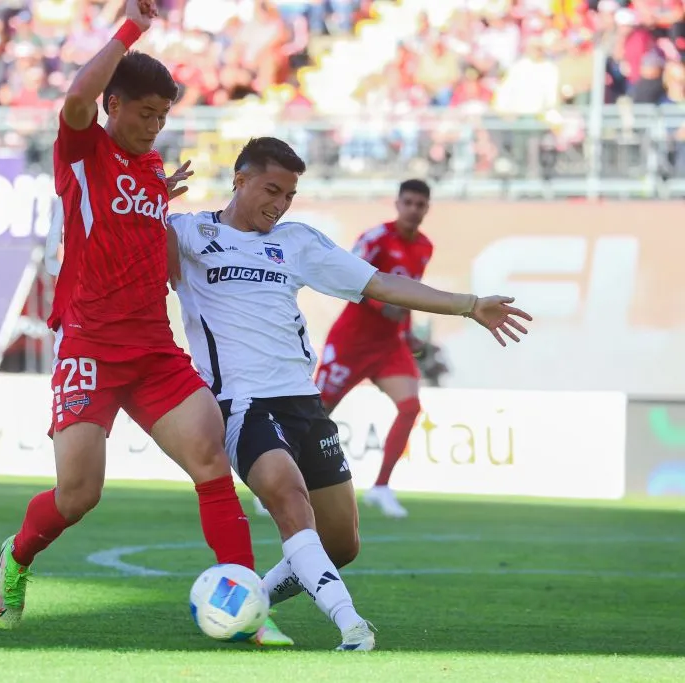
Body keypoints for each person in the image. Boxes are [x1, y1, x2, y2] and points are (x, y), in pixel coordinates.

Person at [0, 1, 290, 647]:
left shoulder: (152, 169)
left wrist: (160, 203)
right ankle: (16, 557)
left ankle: (250, 610)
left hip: (153, 348)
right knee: (78, 494)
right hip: (91, 346)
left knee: (211, 460)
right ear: (114, 105)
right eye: (145, 113)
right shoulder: (81, 149)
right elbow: (74, 96)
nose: (154, 127)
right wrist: (130, 26)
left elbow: (143, 232)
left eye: (163, 115)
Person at [166, 137, 531, 651]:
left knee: (340, 543)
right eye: (272, 189)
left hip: (304, 403)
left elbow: (380, 283)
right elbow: (121, 256)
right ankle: (351, 625)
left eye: (290, 194)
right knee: (289, 499)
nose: (280, 203)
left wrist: (469, 305)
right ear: (239, 180)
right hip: (242, 405)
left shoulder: (296, 241)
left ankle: (246, 602)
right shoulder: (187, 233)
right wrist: (146, 207)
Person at [314, 179, 435, 518]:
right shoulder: (375, 239)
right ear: (397, 204)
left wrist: (408, 333)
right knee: (315, 415)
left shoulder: (424, 247)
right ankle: (278, 483)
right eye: (408, 202)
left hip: (388, 344)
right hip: (352, 341)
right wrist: (384, 309)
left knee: (410, 406)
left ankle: (381, 487)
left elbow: (409, 294)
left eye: (420, 204)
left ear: (426, 209)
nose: (413, 209)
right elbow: (348, 279)